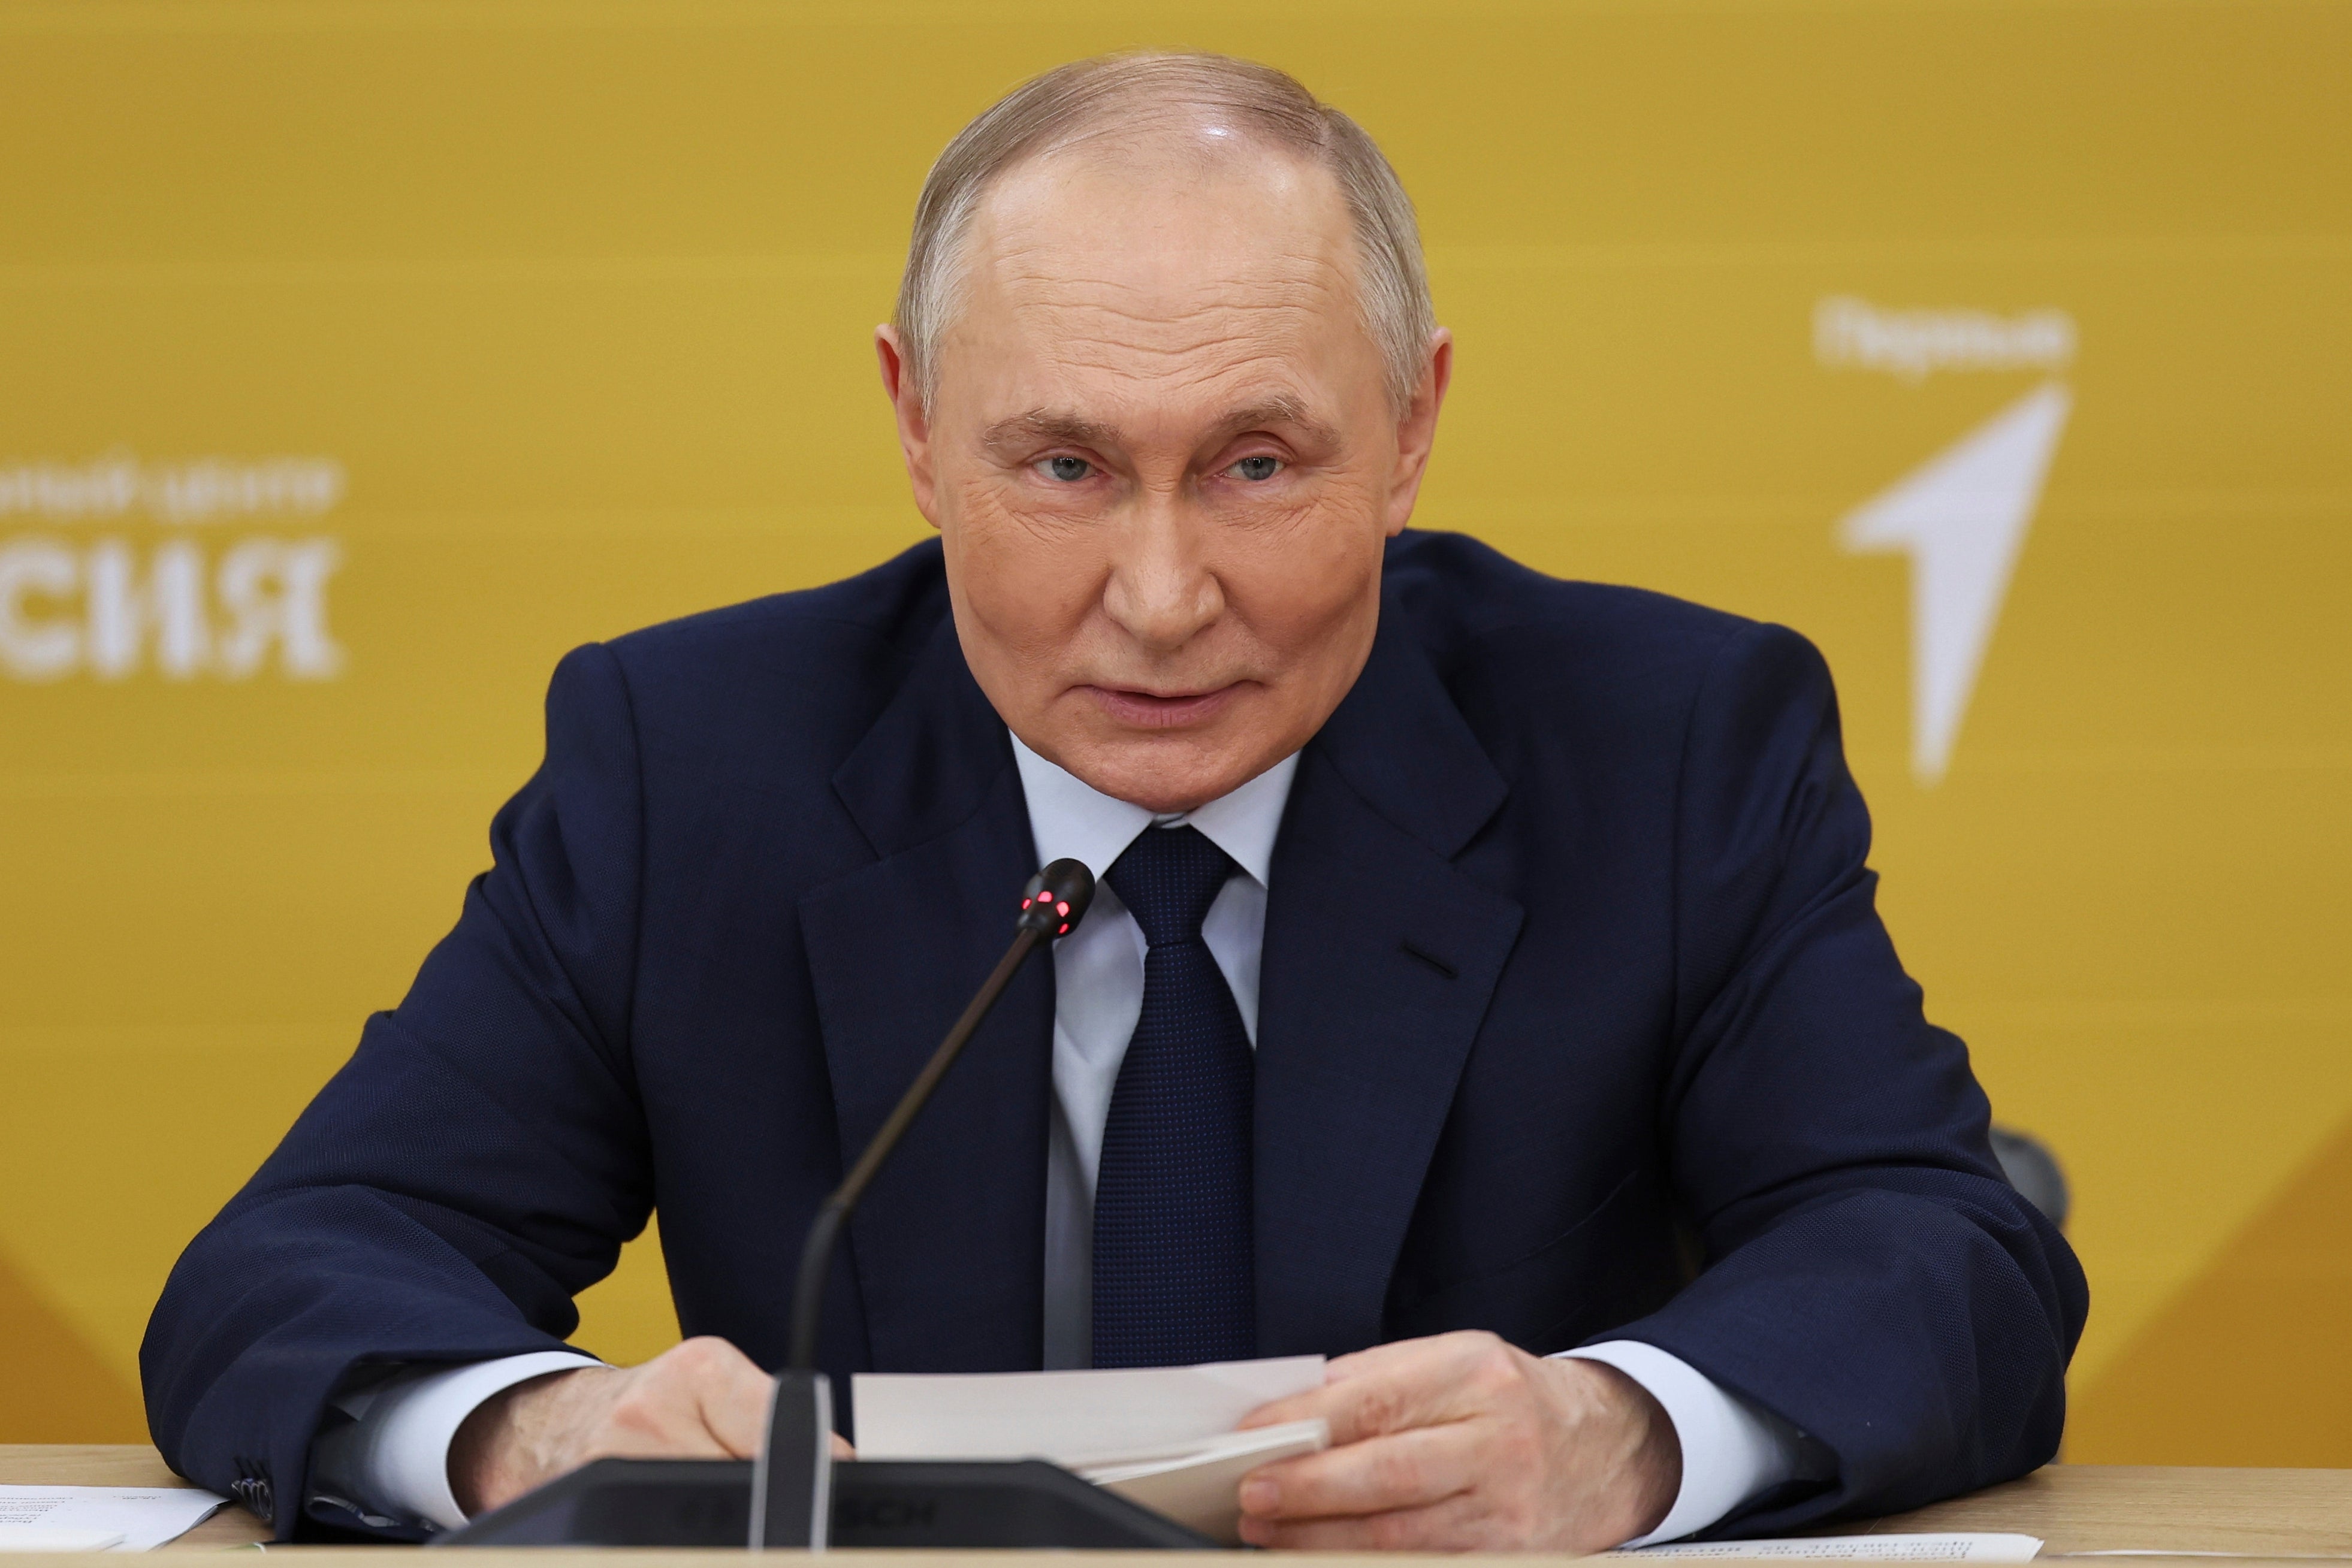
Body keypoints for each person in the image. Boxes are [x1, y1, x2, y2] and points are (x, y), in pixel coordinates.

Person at [141, 52, 2086, 1552]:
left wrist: (1624, 1435)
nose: (1160, 599)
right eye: (1064, 467)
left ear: (1412, 425)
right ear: (917, 427)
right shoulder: (692, 762)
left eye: (1258, 464)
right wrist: (538, 1433)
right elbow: (290, 1270)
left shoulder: (1665, 743)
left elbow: (1944, 1248)